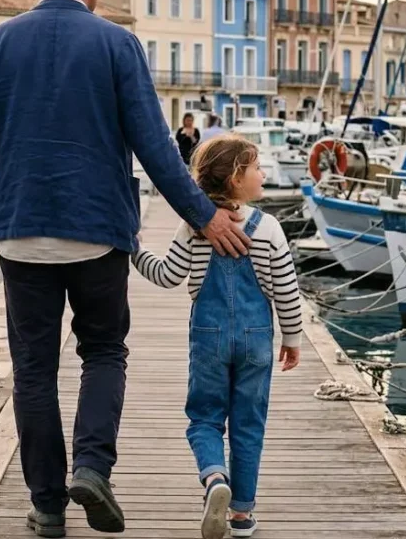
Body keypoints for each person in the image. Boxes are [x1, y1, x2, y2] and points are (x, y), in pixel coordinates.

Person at [0, 0, 250, 538]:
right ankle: (92, 466)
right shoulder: (118, 45)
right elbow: (154, 146)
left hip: (19, 231)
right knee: (105, 351)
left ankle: (45, 506)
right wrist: (204, 214)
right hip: (98, 233)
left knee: (33, 370)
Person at [129, 134, 302, 539]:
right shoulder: (270, 228)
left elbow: (167, 275)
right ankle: (241, 515)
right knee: (248, 423)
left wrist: (134, 248)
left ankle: (214, 479)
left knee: (204, 418)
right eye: (256, 167)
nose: (262, 173)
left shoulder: (194, 227)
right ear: (237, 177)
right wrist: (292, 339)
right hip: (257, 338)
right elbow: (286, 290)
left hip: (208, 336)